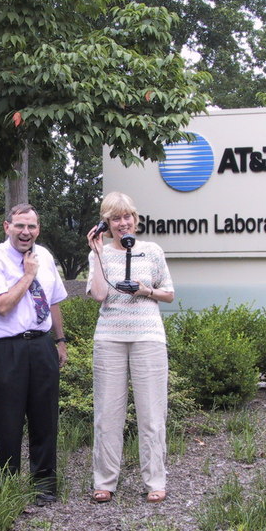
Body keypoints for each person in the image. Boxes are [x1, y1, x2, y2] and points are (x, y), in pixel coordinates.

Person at [0, 203, 68, 506]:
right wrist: (28, 275)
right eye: (19, 226)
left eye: (31, 227)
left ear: (38, 229)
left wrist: (60, 340)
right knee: (8, 421)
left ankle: (44, 486)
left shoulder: (46, 257)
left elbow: (53, 301)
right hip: (6, 349)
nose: (26, 232)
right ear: (7, 227)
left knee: (45, 418)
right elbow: (2, 305)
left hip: (41, 345)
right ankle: (7, 486)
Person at [85, 191, 174, 504]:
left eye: (127, 217)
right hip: (109, 338)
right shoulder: (99, 253)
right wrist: (96, 254)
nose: (122, 223)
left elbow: (169, 293)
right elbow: (98, 295)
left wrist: (145, 290)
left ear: (135, 219)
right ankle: (105, 481)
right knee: (107, 414)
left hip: (148, 337)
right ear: (105, 223)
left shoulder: (151, 251)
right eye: (115, 218)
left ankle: (155, 481)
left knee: (152, 413)